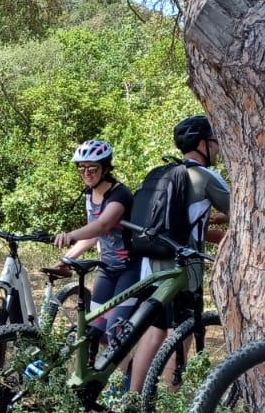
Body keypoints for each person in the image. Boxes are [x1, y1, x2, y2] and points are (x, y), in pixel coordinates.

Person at [128, 114, 230, 386]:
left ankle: (132, 400)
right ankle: (168, 408)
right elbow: (243, 210)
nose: (218, 148)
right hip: (182, 269)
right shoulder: (205, 176)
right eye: (215, 142)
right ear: (202, 144)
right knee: (180, 334)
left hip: (150, 262)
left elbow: (181, 224)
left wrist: (216, 231)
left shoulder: (166, 173)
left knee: (155, 331)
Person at [52, 139, 137, 351]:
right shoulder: (90, 194)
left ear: (106, 168)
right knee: (94, 330)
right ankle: (110, 376)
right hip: (106, 268)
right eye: (81, 168)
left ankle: (127, 383)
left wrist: (69, 235)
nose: (86, 173)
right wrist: (67, 259)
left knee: (115, 331)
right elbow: (93, 236)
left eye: (92, 168)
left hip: (130, 269)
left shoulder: (120, 194)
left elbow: (103, 225)